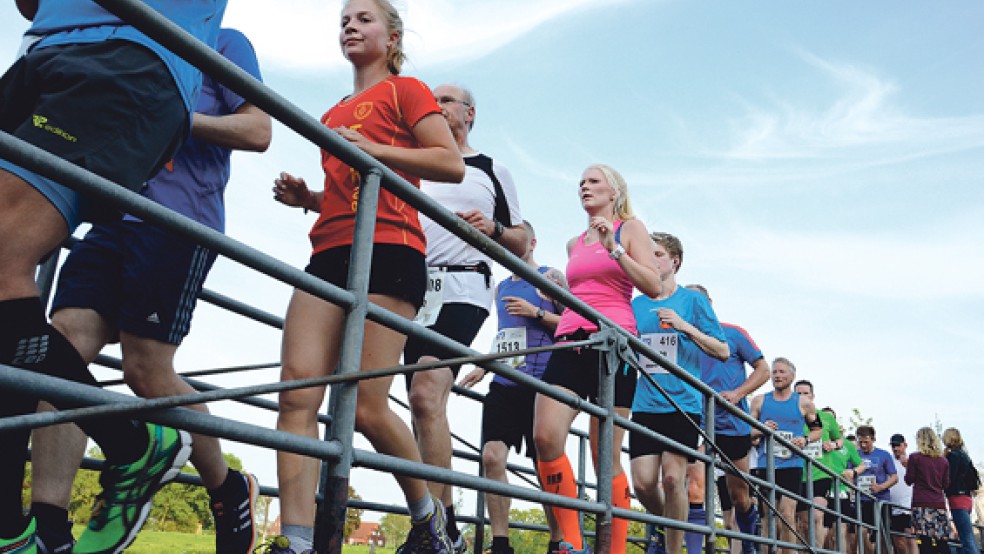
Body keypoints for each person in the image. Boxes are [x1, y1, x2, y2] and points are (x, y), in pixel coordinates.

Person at [25, 27, 270, 554]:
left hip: (176, 222)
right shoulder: (133, 37)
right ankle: (49, 526)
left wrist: (179, 119)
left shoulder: (223, 42)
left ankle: (228, 490)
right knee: (60, 352)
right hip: (111, 213)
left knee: (145, 369)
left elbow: (259, 129)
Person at [265, 0, 464, 552]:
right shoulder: (331, 112)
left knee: (367, 406)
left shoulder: (406, 90)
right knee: (296, 392)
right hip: (330, 250)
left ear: (393, 37)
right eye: (344, 21)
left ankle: (429, 519)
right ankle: (297, 539)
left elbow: (450, 163)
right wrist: (310, 199)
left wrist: (373, 150)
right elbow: (348, 190)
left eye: (363, 19)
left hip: (391, 251)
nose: (350, 26)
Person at [402, 82, 526, 552]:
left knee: (425, 391)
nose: (436, 106)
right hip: (413, 288)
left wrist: (494, 228)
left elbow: (520, 240)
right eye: (431, 100)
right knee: (420, 405)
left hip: (464, 287)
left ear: (469, 113)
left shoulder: (490, 169)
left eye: (446, 100)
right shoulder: (415, 162)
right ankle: (437, 526)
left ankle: (442, 524)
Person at [532, 164, 661, 554]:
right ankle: (571, 542)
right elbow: (584, 289)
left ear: (614, 191)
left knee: (604, 456)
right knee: (545, 436)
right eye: (581, 183)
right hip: (569, 339)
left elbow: (652, 286)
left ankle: (614, 549)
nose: (584, 187)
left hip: (614, 344)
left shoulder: (630, 228)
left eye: (593, 181)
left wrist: (614, 249)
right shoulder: (574, 243)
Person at [458, 220, 565, 554]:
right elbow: (506, 336)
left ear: (532, 243)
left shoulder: (551, 277)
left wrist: (537, 312)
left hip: (541, 382)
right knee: (491, 456)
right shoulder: (501, 287)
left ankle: (558, 541)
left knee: (544, 467)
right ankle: (501, 543)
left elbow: (575, 325)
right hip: (505, 380)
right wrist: (484, 365)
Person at [627, 234, 729, 554]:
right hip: (645, 403)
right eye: (648, 254)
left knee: (673, 480)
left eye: (658, 254)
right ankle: (669, 523)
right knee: (643, 484)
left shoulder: (693, 301)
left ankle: (672, 549)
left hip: (682, 403)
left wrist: (685, 326)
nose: (651, 259)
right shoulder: (636, 304)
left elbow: (722, 350)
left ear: (675, 261)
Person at [687, 283, 769, 554]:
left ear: (709, 304)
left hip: (731, 422)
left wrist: (738, 393)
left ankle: (748, 545)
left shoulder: (733, 333)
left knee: (739, 496)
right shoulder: (678, 336)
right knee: (692, 484)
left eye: (698, 302)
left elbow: (763, 369)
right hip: (694, 418)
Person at [748, 358, 821, 554]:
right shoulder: (759, 400)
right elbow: (748, 432)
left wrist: (805, 439)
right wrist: (761, 429)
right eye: (774, 372)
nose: (777, 376)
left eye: (782, 372)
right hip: (766, 465)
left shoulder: (804, 403)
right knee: (767, 517)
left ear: (792, 376)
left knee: (787, 515)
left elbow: (817, 431)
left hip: (792, 465)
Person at [792, 379, 842, 550]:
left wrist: (833, 445)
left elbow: (839, 440)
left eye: (805, 393)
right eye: (798, 393)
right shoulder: (790, 416)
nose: (802, 396)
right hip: (798, 472)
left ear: (812, 396)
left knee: (816, 515)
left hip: (821, 473)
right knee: (804, 523)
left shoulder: (826, 417)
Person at [905, 427, 952, 554]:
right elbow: (946, 484)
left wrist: (906, 466)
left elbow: (909, 479)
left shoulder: (915, 458)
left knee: (924, 540)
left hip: (921, 503)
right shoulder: (943, 461)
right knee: (942, 540)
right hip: (938, 503)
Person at [854, 425, 898, 553]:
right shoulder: (855, 455)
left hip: (881, 500)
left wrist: (881, 487)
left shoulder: (884, 455)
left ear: (873, 439)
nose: (863, 445)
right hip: (862, 500)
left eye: (866, 442)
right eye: (860, 442)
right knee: (862, 532)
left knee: (883, 535)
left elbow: (894, 477)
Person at [943, 428, 981, 554]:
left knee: (967, 540)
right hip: (967, 498)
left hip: (957, 498)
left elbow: (949, 478)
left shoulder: (953, 456)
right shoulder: (964, 454)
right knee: (966, 537)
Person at [889, 433, 919, 554]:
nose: (895, 448)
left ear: (905, 445)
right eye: (893, 446)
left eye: (898, 445)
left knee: (910, 537)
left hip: (908, 505)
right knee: (898, 542)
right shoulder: (888, 460)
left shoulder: (913, 460)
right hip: (893, 505)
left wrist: (907, 465)